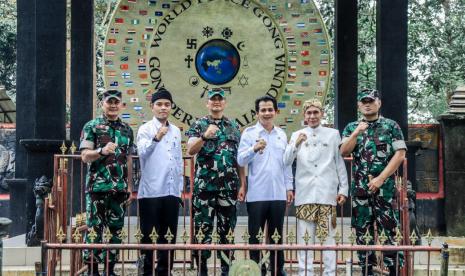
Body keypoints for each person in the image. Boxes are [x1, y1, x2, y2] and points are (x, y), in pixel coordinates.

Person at [340, 89, 406, 276]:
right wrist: (356, 133)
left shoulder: (391, 126)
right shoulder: (351, 126)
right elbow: (343, 152)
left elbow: (400, 154)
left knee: (389, 232)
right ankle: (367, 270)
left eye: (371, 100)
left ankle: (393, 270)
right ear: (359, 105)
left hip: (385, 190)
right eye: (364, 101)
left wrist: (381, 178)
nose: (367, 104)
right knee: (362, 233)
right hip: (361, 191)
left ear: (379, 103)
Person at [283, 98, 348, 276]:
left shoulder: (333, 134)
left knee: (328, 241)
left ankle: (330, 273)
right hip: (305, 194)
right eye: (309, 113)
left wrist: (343, 189)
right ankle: (305, 273)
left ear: (321, 114)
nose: (312, 116)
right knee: (305, 241)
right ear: (304, 115)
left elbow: (339, 162)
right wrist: (296, 144)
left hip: (327, 193)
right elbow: (286, 161)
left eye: (315, 112)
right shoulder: (297, 134)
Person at [186, 88, 244, 276]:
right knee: (203, 230)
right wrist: (204, 136)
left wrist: (243, 184)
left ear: (224, 103)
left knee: (227, 231)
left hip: (228, 188)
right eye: (213, 99)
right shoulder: (199, 124)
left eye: (220, 99)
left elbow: (239, 159)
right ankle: (202, 269)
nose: (216, 102)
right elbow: (190, 150)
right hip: (205, 189)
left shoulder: (233, 126)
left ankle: (226, 269)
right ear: (207, 103)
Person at [237, 95, 293, 276]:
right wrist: (254, 149)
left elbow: (286, 164)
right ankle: (256, 269)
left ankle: (277, 269)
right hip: (257, 193)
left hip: (278, 193)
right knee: (255, 236)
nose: (267, 113)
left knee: (276, 235)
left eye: (270, 109)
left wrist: (289, 187)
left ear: (276, 112)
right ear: (257, 113)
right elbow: (240, 159)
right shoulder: (249, 133)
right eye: (263, 110)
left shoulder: (281, 134)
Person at [80, 90, 134, 276]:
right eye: (109, 102)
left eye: (116, 102)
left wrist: (129, 187)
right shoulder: (92, 126)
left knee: (115, 232)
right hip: (97, 188)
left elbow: (127, 158)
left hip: (119, 190)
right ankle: (93, 271)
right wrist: (101, 151)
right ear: (102, 103)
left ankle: (110, 271)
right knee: (94, 230)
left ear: (121, 105)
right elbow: (85, 156)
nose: (112, 105)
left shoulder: (127, 129)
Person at [136, 88, 183, 276]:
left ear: (171, 107)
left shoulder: (176, 131)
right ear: (152, 107)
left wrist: (179, 188)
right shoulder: (145, 129)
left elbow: (178, 160)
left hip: (171, 190)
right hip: (151, 191)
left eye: (167, 104)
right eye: (159, 104)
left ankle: (165, 271)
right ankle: (147, 271)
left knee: (169, 236)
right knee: (148, 236)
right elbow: (142, 153)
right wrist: (157, 138)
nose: (163, 108)